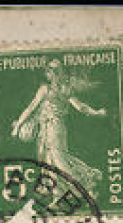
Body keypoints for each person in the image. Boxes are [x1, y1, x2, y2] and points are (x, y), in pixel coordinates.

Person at [11, 59, 107, 196]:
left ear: (60, 73)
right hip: (46, 129)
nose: (54, 74)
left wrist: (96, 113)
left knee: (59, 159)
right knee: (49, 158)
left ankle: (84, 187)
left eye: (56, 71)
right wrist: (18, 125)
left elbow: (80, 107)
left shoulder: (59, 89)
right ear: (48, 74)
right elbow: (32, 107)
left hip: (54, 127)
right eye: (51, 71)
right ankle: (58, 191)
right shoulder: (49, 89)